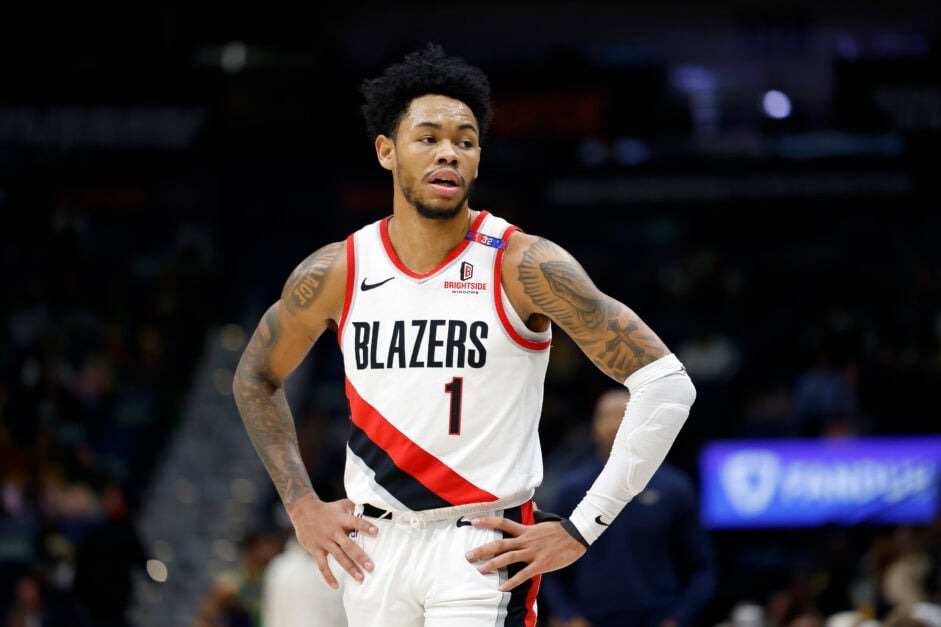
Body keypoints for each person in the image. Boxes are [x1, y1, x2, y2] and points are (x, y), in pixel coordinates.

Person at [232, 42, 697, 627]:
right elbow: (255, 375)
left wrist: (583, 526)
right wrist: (301, 505)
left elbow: (667, 385)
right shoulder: (337, 271)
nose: (448, 152)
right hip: (374, 546)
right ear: (386, 151)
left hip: (479, 546)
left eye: (465, 140)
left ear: (478, 159)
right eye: (428, 137)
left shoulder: (524, 265)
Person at [542, 388, 717, 627]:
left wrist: (677, 618)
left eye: (624, 415)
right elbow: (549, 566)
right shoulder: (571, 490)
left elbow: (702, 567)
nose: (614, 424)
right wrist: (568, 615)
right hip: (590, 620)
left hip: (656, 617)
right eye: (607, 416)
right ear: (594, 425)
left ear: (643, 421)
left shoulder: (674, 488)